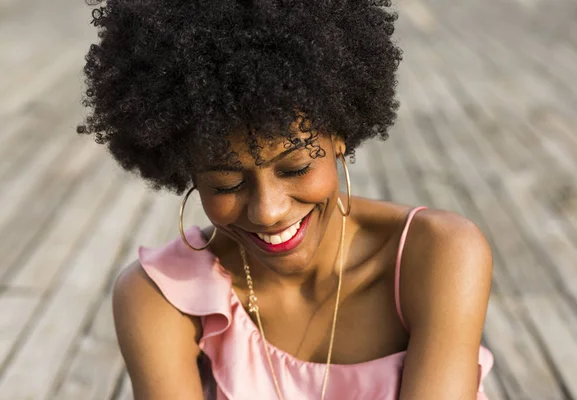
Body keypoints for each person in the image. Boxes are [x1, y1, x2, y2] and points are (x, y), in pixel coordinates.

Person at [78, 0, 494, 398]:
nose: (268, 211)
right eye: (226, 183)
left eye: (294, 169)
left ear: (338, 136)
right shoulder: (161, 298)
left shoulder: (439, 253)